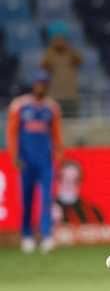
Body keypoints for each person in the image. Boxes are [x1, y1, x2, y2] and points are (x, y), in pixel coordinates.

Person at [6, 70, 63, 254]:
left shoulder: (52, 108)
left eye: (45, 83)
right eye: (39, 82)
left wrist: (58, 155)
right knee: (26, 199)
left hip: (45, 162)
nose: (41, 86)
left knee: (47, 199)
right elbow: (12, 133)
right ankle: (27, 235)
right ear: (34, 84)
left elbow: (56, 134)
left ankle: (46, 236)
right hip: (26, 161)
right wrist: (14, 155)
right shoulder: (20, 105)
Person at [41, 21, 82, 118]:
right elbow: (43, 66)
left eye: (62, 38)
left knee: (73, 124)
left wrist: (69, 48)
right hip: (54, 97)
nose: (59, 41)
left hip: (71, 97)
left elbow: (80, 60)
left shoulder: (71, 53)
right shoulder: (49, 54)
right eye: (56, 39)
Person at [53, 160, 104, 225]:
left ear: (80, 183)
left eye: (74, 180)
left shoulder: (93, 212)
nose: (68, 184)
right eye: (64, 179)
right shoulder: (46, 210)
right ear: (57, 181)